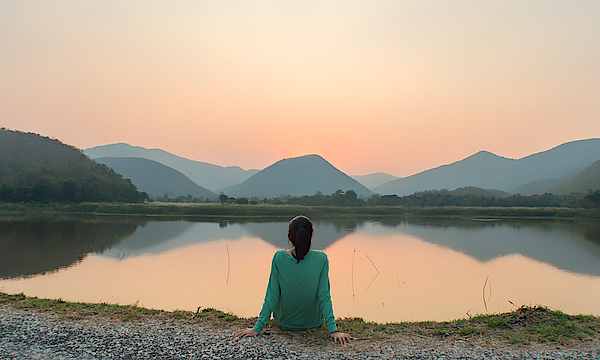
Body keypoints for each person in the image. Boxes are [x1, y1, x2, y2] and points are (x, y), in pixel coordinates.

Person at [235, 216, 350, 344]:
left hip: (284, 322)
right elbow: (324, 296)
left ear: (289, 237)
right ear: (311, 236)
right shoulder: (321, 258)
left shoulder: (279, 257)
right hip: (313, 323)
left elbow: (272, 295)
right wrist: (333, 330)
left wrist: (257, 328)